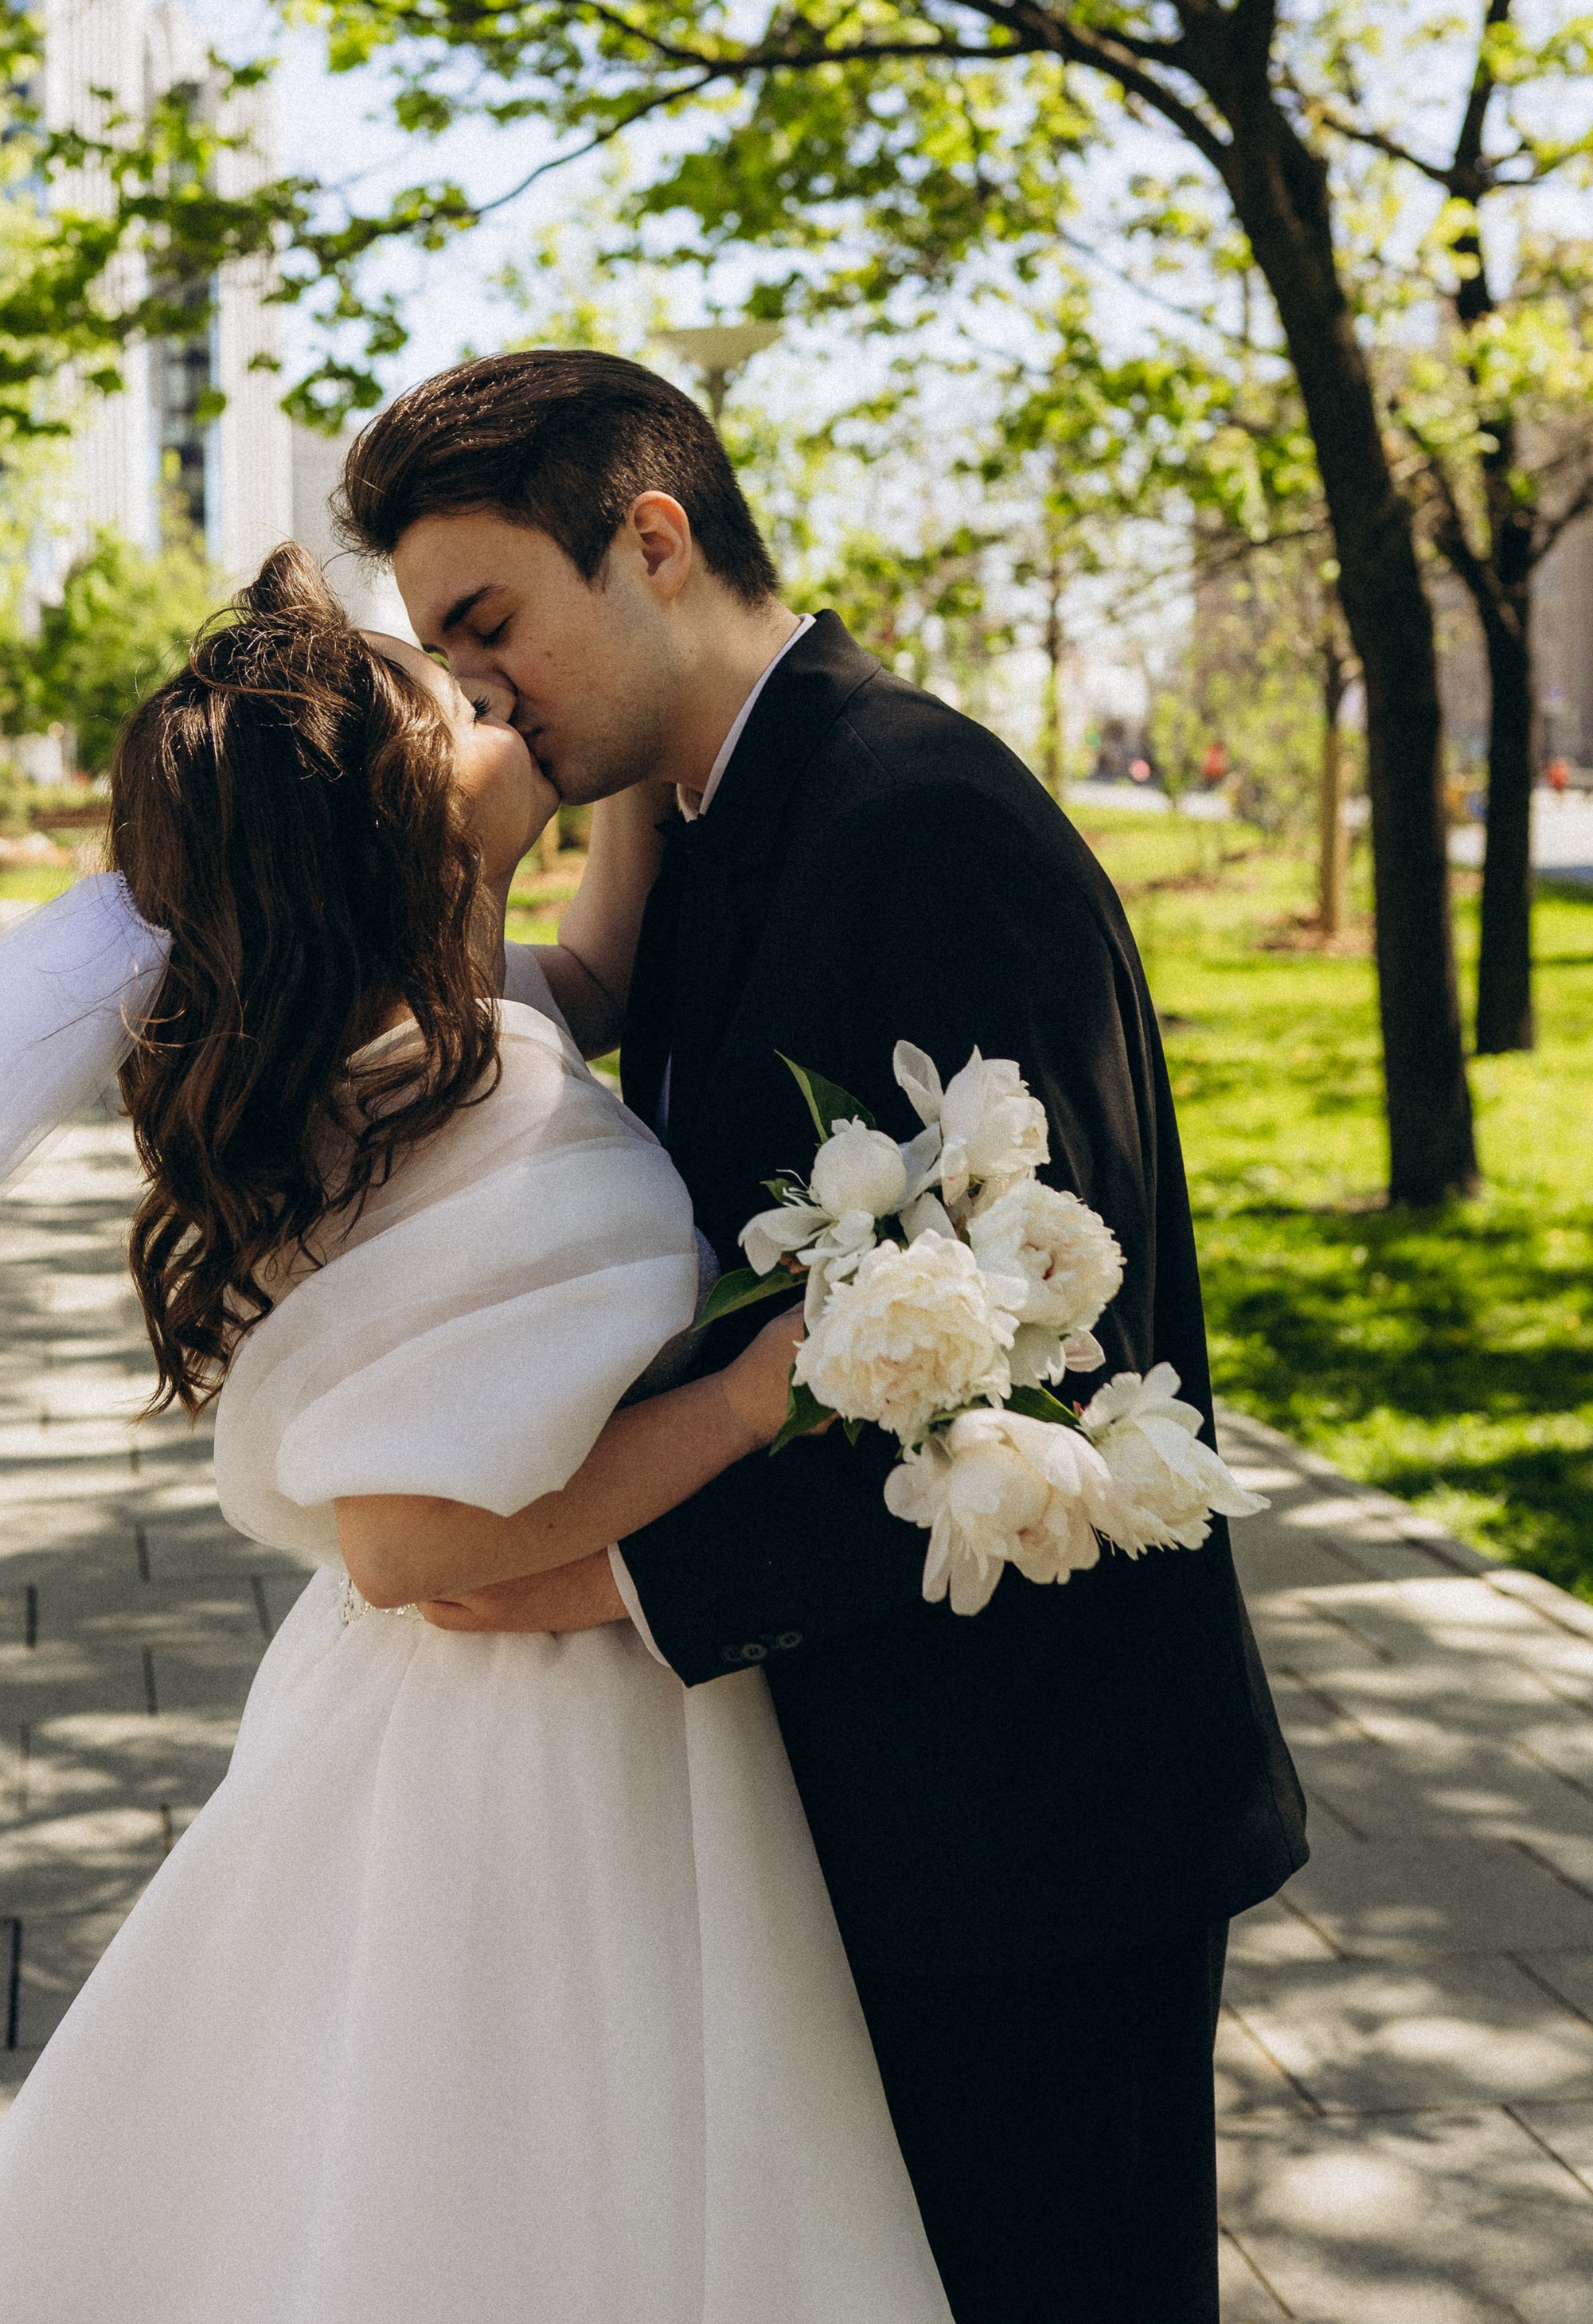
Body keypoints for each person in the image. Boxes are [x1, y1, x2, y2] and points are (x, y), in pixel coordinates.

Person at [0, 544, 955, 2323]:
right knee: (538, 2159)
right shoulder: (449, 1096)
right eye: (450, 697)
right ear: (404, 824)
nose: (489, 687)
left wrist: (644, 722)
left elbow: (597, 959)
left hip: (519, 1700)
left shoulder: (431, 1036)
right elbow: (410, 1542)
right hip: (528, 1743)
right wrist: (753, 1396)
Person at [337, 349, 1310, 2324]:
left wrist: (596, 1573)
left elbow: (1032, 1350)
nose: (479, 692)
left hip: (1034, 1822)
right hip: (871, 1802)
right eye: (443, 653)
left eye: (488, 621)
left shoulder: (917, 820)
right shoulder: (713, 815)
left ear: (650, 539)